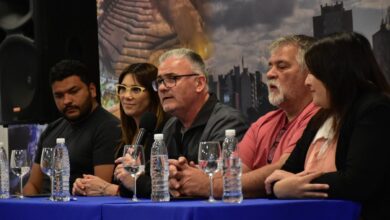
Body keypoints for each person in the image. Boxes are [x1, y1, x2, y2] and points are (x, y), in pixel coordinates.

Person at [168, 35, 319, 198]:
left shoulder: (318, 115)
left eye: (282, 67)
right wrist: (186, 178)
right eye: (270, 67)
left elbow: (285, 167)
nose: (269, 74)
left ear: (310, 73)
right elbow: (233, 169)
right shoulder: (264, 122)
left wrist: (210, 185)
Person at [265, 32, 390, 220]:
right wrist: (281, 186)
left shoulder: (375, 109)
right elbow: (281, 176)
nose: (307, 82)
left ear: (336, 73)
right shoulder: (321, 117)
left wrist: (290, 185)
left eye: (314, 73)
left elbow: (357, 181)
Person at [154, 48, 248, 197]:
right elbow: (153, 175)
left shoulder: (229, 122)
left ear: (199, 83)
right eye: (159, 81)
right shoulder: (170, 126)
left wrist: (172, 178)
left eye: (172, 78)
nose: (162, 88)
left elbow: (215, 180)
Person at [23, 60, 121, 195]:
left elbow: (99, 191)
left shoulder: (108, 127)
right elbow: (33, 185)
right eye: (59, 96)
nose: (66, 101)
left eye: (73, 91)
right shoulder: (52, 129)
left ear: (92, 90)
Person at [72, 63, 170, 197]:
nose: (126, 96)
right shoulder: (124, 136)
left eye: (136, 90)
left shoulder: (166, 132)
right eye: (122, 89)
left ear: (154, 93)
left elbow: (161, 186)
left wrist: (111, 190)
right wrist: (86, 185)